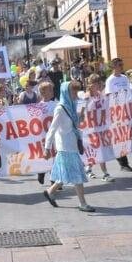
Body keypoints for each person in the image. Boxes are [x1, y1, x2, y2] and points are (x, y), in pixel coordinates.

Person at [42, 81, 95, 213]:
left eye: (76, 91)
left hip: (72, 144)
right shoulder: (60, 108)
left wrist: (82, 113)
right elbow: (52, 129)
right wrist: (47, 148)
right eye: (73, 91)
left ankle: (49, 192)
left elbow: (78, 122)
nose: (75, 94)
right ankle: (83, 203)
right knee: (77, 174)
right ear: (66, 92)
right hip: (65, 146)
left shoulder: (73, 105)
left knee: (66, 174)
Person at [101, 59, 132, 172]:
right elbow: (109, 95)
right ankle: (123, 163)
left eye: (122, 64)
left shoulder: (125, 78)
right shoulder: (110, 80)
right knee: (118, 138)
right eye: (119, 65)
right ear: (113, 66)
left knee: (124, 137)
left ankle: (123, 162)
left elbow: (130, 91)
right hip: (116, 112)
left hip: (125, 111)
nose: (122, 66)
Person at [83, 74, 113, 181]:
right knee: (97, 150)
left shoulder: (101, 95)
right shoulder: (86, 97)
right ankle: (105, 173)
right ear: (90, 85)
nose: (98, 85)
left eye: (99, 82)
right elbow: (81, 112)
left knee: (98, 150)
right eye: (95, 83)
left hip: (101, 128)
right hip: (90, 129)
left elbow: (106, 107)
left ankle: (89, 169)